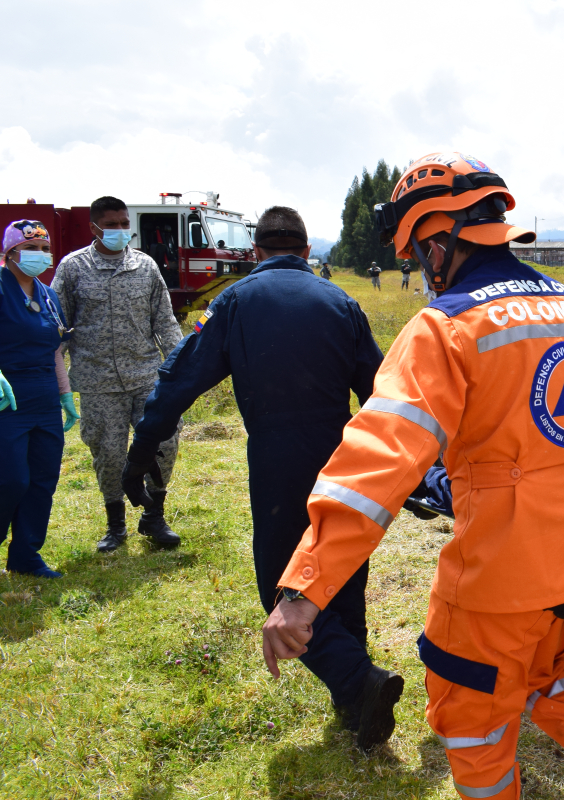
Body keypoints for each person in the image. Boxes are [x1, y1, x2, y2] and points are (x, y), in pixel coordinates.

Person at [261, 152, 564, 799]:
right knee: (545, 672)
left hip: (500, 583)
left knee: (469, 717)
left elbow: (375, 466)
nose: (424, 271)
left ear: (439, 244)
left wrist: (304, 590)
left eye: (420, 255)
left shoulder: (444, 329)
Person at [122, 206, 395, 749]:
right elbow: (381, 389)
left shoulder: (236, 301)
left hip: (277, 456)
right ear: (306, 249)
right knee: (339, 563)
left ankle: (356, 680)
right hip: (343, 453)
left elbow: (181, 377)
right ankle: (355, 701)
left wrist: (145, 444)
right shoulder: (341, 302)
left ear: (256, 250)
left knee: (280, 580)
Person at [51, 196, 183, 554]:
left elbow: (165, 321)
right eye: (112, 225)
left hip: (146, 376)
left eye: (125, 223)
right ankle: (116, 524)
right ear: (94, 227)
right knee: (108, 454)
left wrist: (180, 368)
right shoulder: (73, 267)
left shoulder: (145, 265)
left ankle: (154, 516)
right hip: (98, 382)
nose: (121, 230)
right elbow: (57, 327)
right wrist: (54, 378)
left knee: (164, 443)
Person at [0, 220, 79, 578]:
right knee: (11, 479)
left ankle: (25, 554)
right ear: (11, 253)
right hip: (7, 399)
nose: (41, 255)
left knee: (42, 479)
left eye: (46, 249)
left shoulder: (48, 295)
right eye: (31, 248)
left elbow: (54, 348)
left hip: (45, 397)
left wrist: (64, 393)